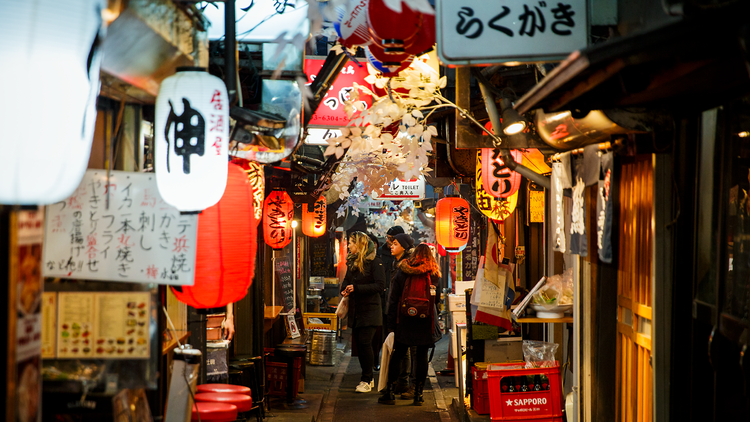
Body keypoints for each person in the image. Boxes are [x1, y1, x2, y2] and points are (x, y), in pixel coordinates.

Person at [379, 243, 441, 406]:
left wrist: (391, 324)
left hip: (404, 320)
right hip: (425, 321)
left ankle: (390, 392)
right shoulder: (433, 273)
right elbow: (437, 300)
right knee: (421, 357)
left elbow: (393, 299)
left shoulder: (403, 271)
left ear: (413, 256)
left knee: (398, 354)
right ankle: (418, 394)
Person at [340, 231, 386, 393]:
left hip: (370, 310)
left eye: (351, 243)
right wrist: (344, 289)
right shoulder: (352, 262)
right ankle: (368, 378)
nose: (349, 246)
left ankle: (367, 379)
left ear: (360, 244)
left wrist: (356, 288)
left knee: (366, 343)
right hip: (356, 310)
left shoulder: (375, 262)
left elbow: (380, 286)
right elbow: (346, 280)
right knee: (360, 345)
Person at [389, 232, 417, 398]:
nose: (391, 246)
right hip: (403, 311)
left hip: (408, 311)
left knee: (410, 351)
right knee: (405, 350)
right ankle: (403, 383)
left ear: (404, 247)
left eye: (395, 244)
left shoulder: (407, 265)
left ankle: (408, 385)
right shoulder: (397, 263)